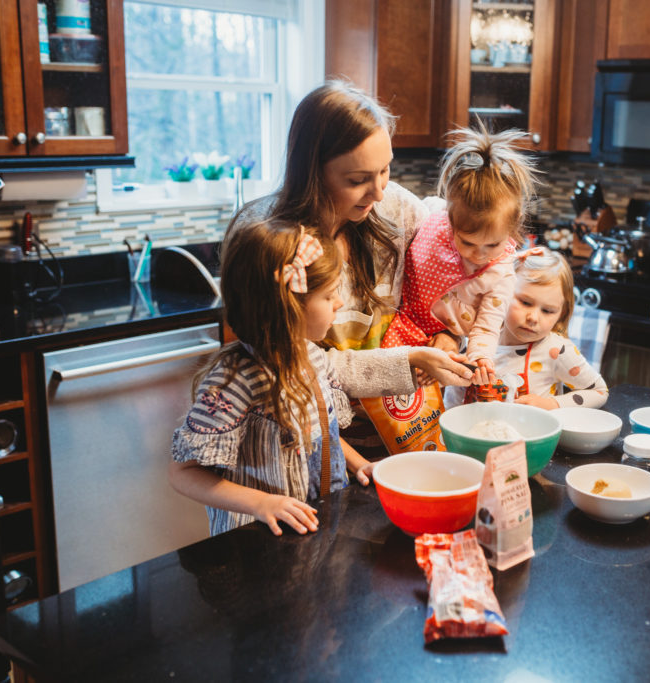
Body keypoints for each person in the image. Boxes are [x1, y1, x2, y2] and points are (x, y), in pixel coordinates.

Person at [232, 80, 473, 455]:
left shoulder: (398, 210)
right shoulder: (270, 242)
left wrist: (449, 334)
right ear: (313, 171)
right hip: (307, 444)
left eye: (385, 170)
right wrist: (408, 360)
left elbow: (454, 279)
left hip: (406, 428)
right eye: (358, 180)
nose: (378, 192)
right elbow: (288, 363)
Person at [169, 222, 449, 536]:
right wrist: (262, 503)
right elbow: (184, 473)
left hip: (316, 525)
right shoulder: (233, 384)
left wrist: (360, 465)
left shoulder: (312, 357)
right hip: (259, 538)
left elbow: (321, 432)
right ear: (289, 308)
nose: (339, 303)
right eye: (329, 296)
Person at [382, 125, 540, 386]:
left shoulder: (500, 275)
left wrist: (479, 358)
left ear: (512, 230)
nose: (479, 254)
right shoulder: (431, 213)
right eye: (467, 242)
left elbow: (486, 327)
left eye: (492, 245)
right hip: (392, 315)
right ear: (449, 221)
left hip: (435, 342)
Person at [446, 249, 609, 409]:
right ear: (501, 292)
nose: (533, 317)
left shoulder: (557, 351)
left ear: (561, 314)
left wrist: (552, 404)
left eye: (547, 311)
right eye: (525, 302)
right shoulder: (474, 343)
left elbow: (599, 391)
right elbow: (452, 404)